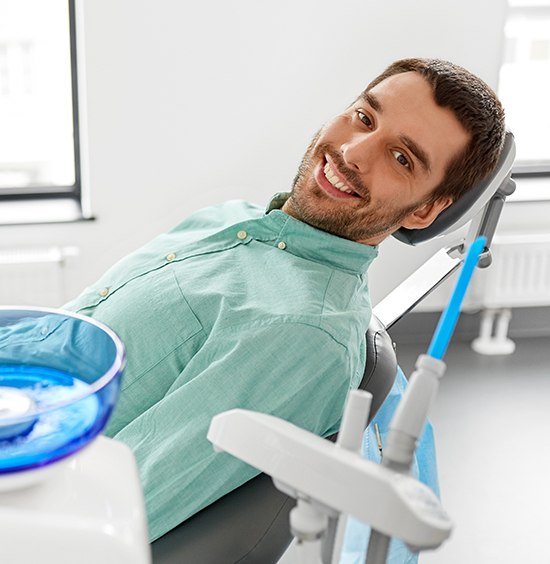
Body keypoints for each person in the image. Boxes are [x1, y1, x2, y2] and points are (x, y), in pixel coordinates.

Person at [63, 58, 505, 547]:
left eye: (402, 158)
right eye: (364, 117)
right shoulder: (230, 219)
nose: (353, 153)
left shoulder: (299, 334)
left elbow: (104, 520)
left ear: (424, 209)